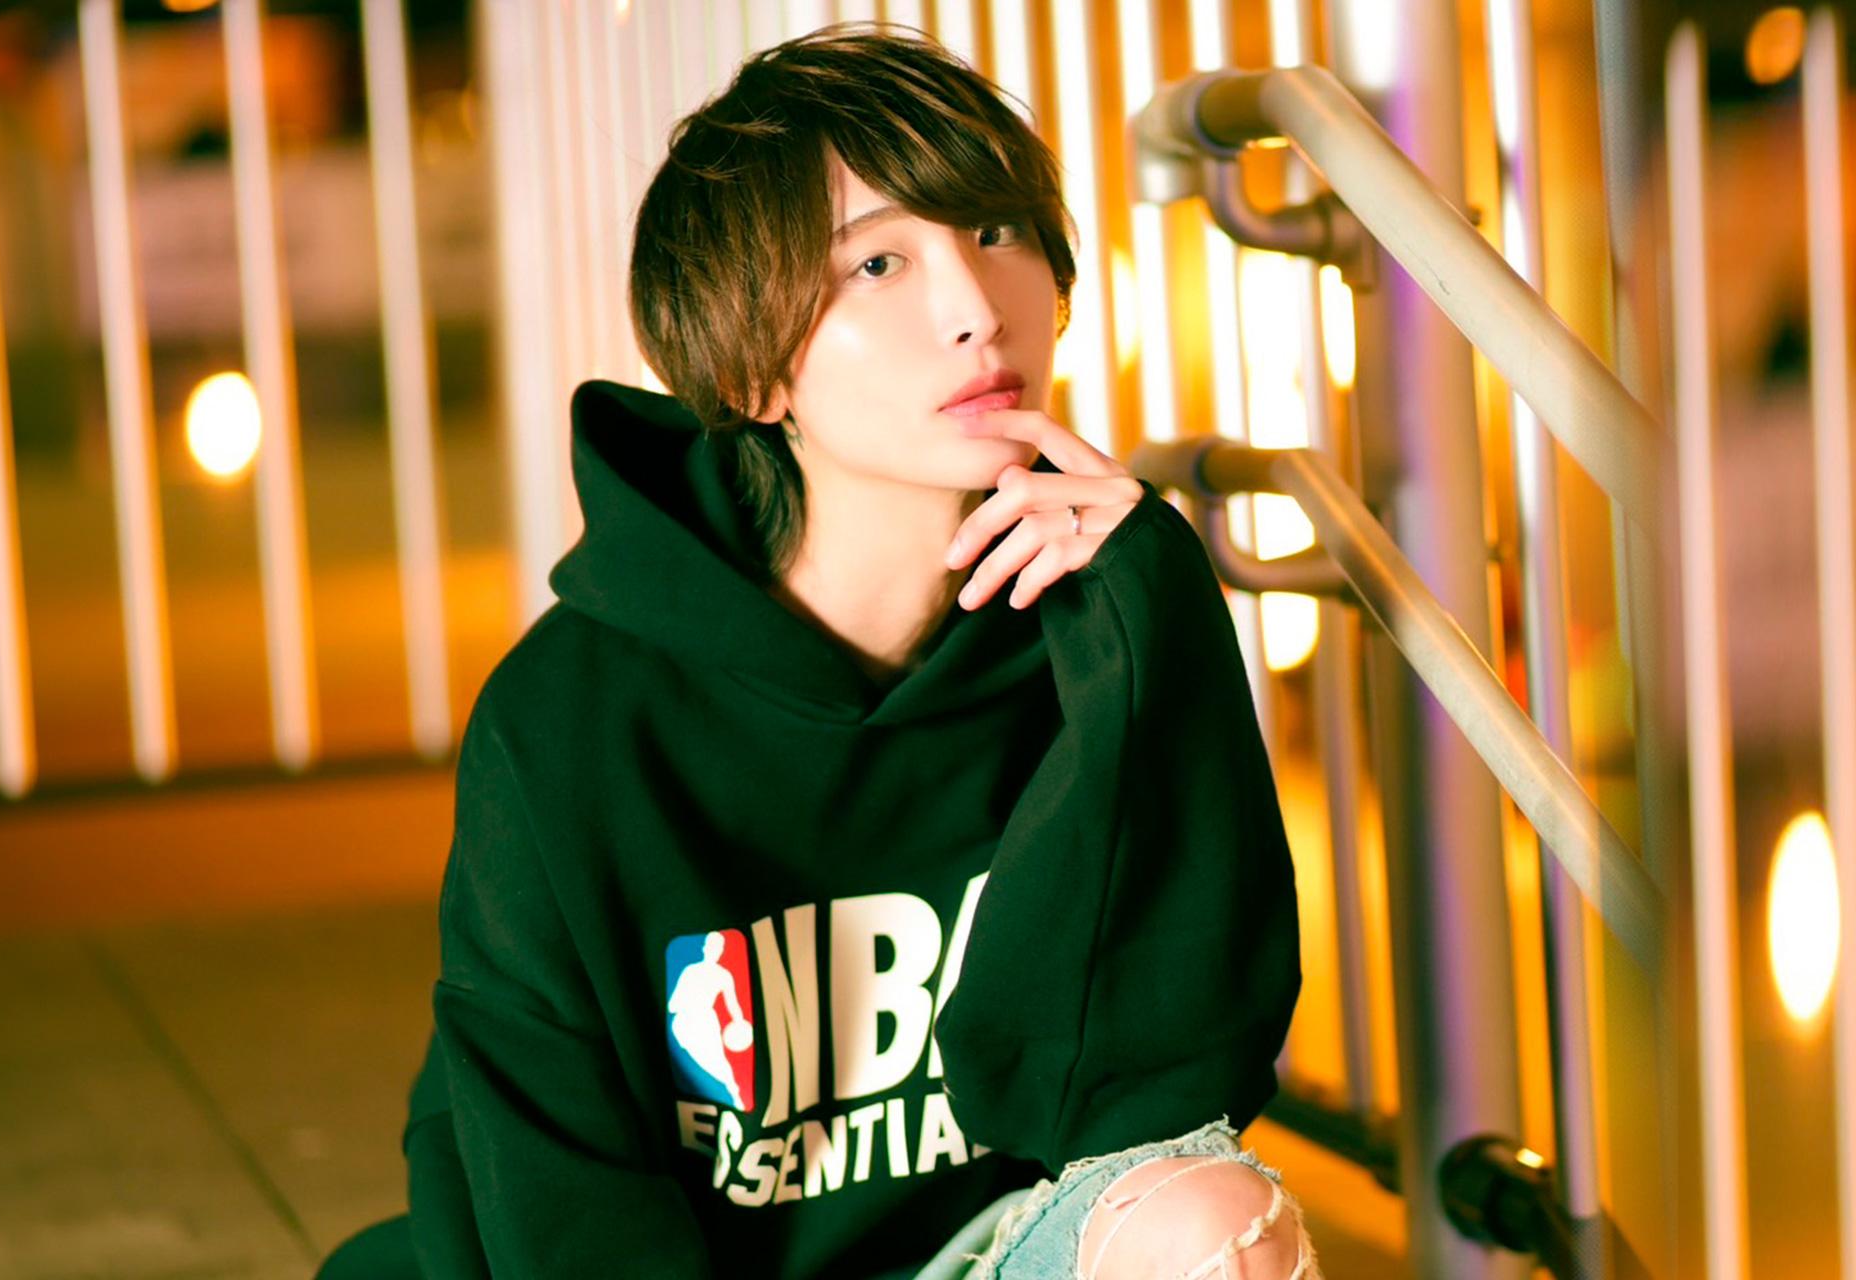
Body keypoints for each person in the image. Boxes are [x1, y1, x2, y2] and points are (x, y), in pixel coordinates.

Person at [318, 22, 1318, 1280]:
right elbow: (554, 1180)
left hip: (982, 1254)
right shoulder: (575, 715)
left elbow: (1163, 1099)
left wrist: (1151, 629)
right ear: (752, 369)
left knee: (1221, 1221)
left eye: (996, 230)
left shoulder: (1094, 626)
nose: (975, 310)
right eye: (878, 263)